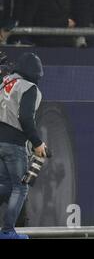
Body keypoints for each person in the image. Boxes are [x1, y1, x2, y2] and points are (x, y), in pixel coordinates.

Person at [0, 53, 47, 239]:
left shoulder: (4, 82)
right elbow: (26, 118)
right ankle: (7, 231)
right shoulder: (30, 88)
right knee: (21, 187)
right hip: (13, 144)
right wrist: (37, 143)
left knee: (6, 185)